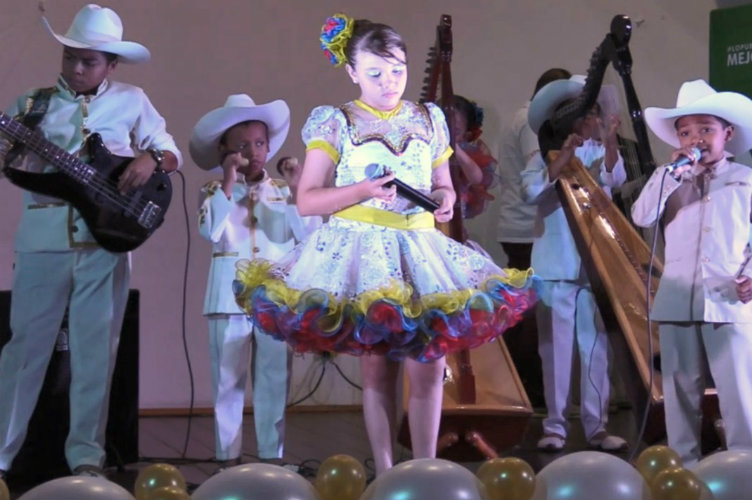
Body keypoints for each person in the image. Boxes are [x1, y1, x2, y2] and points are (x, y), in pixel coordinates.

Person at [231, 13, 540, 474]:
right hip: (363, 250)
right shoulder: (337, 122)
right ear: (353, 72)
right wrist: (363, 191)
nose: (388, 81)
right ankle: (386, 468)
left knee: (431, 365)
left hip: (419, 250)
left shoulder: (427, 118)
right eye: (375, 72)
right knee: (378, 369)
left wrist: (445, 199)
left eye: (397, 70)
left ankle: (426, 468)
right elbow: (308, 199)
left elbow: (443, 183)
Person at [0, 4, 181, 478]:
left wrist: (151, 159)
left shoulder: (133, 98)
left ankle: (86, 460)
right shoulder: (30, 105)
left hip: (105, 241)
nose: (77, 69)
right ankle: (0, 457)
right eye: (71, 58)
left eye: (90, 61)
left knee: (96, 352)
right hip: (42, 237)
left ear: (111, 64)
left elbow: (170, 150)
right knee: (24, 352)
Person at [630, 79, 752, 464]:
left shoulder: (746, 179)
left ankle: (748, 469)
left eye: (705, 129)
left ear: (727, 134)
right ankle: (685, 468)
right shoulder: (669, 177)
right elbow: (641, 215)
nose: (694, 138)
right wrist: (670, 176)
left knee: (740, 393)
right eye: (685, 131)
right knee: (680, 393)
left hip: (729, 299)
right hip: (678, 299)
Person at [191, 94, 323, 469]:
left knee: (272, 381)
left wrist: (299, 187)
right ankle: (226, 458)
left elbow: (308, 235)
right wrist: (229, 181)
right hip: (225, 299)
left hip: (273, 300)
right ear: (226, 151)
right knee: (226, 382)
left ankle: (272, 458)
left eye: (260, 143)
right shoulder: (214, 191)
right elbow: (210, 231)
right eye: (243, 146)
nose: (254, 151)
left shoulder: (282, 191)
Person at [522, 75, 629, 452]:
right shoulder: (542, 157)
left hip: (593, 265)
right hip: (554, 265)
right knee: (554, 351)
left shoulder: (599, 152)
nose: (593, 121)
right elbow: (533, 192)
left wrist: (612, 140)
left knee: (595, 348)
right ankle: (554, 425)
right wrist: (564, 155)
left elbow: (615, 179)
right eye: (588, 115)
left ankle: (597, 426)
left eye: (596, 114)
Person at [496, 68, 571, 409]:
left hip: (522, 226)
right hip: (527, 228)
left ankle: (528, 386)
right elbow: (538, 172)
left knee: (526, 311)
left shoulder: (520, 117)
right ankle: (529, 389)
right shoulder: (531, 123)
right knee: (530, 314)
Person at [445, 94, 496, 223]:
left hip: (456, 212)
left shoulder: (469, 150)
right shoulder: (430, 147)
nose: (453, 125)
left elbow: (477, 179)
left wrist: (455, 148)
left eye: (456, 129)